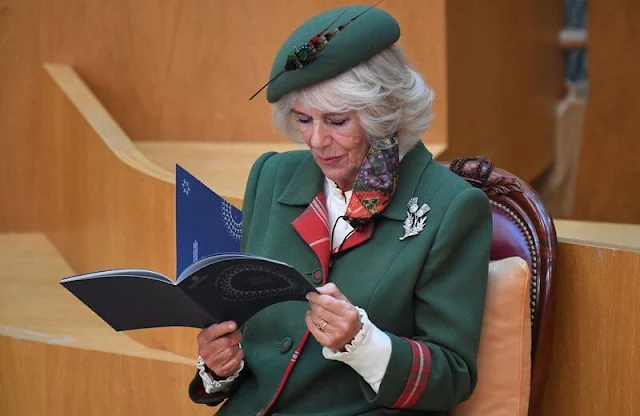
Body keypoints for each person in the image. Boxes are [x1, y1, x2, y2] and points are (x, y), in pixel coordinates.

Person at [189, 5, 492, 415]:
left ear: (384, 113)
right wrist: (219, 366)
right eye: (302, 119)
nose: (316, 140)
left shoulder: (451, 206)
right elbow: (251, 334)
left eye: (336, 121)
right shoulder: (272, 176)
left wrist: (362, 343)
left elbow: (452, 376)